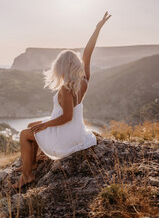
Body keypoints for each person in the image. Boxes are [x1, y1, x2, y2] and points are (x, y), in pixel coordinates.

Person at [12, 11, 112, 189]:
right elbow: (88, 54)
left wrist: (44, 126)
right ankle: (31, 163)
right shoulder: (84, 81)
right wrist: (97, 28)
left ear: (61, 66)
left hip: (65, 135)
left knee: (24, 134)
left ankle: (27, 175)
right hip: (75, 131)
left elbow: (66, 116)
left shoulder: (66, 89)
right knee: (30, 127)